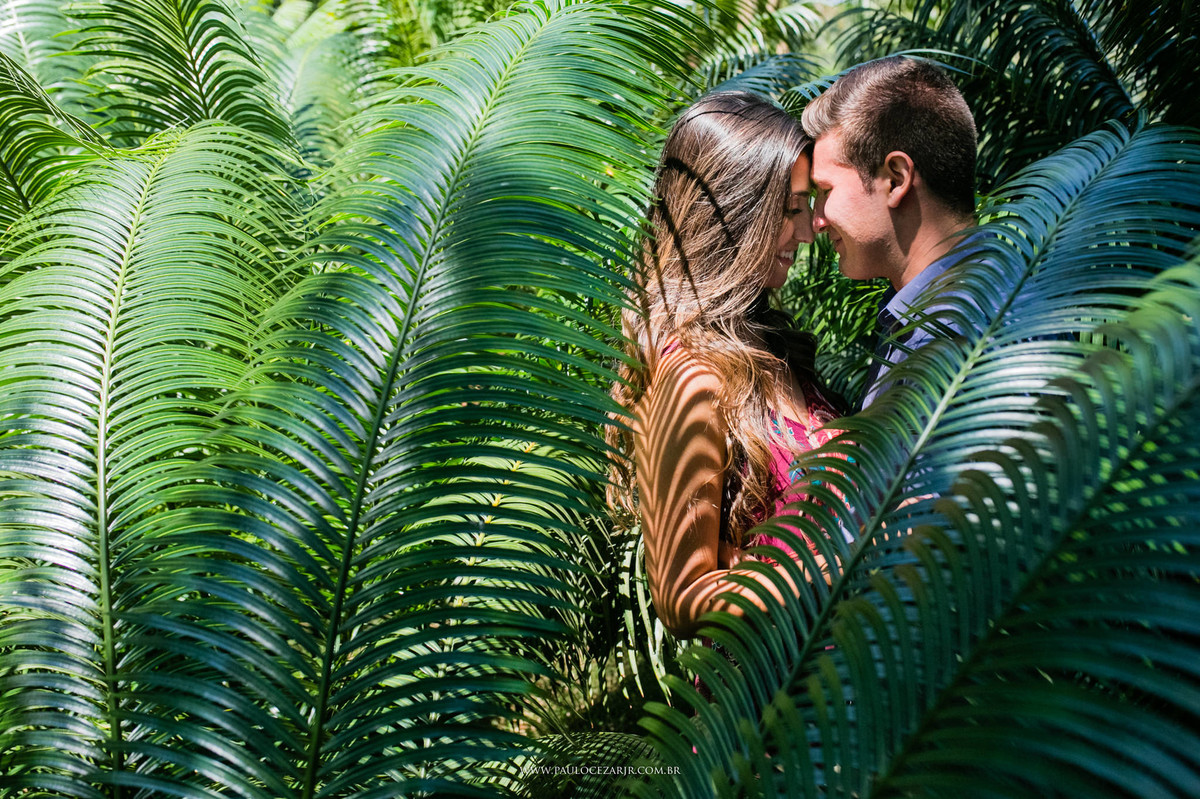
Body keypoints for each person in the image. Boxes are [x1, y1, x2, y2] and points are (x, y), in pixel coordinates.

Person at [608, 91, 846, 638]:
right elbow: (683, 597)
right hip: (766, 703)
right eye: (789, 209)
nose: (809, 232)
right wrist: (836, 566)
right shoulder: (693, 377)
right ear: (736, 216)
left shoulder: (768, 347)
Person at [801, 56, 980, 409]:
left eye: (825, 191)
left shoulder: (957, 337)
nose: (816, 221)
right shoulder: (923, 311)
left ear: (895, 179)